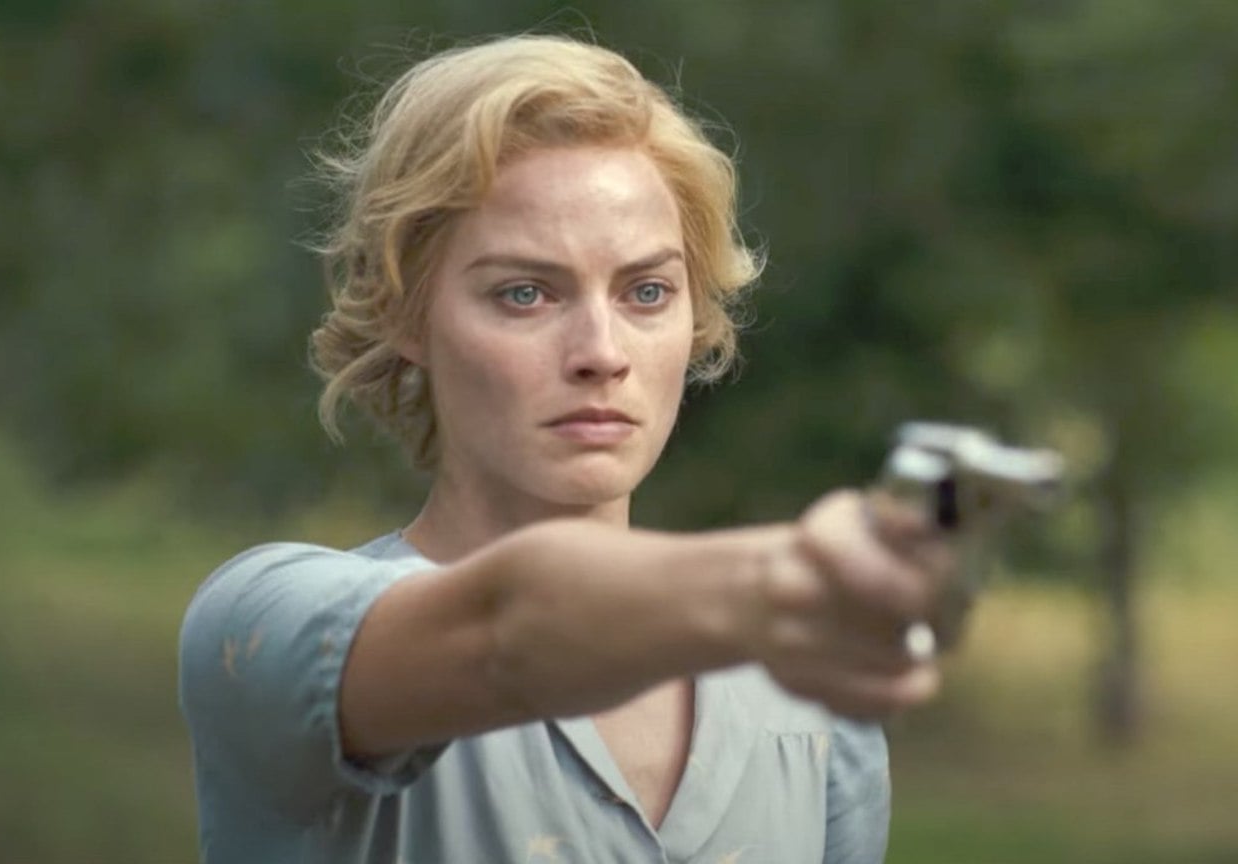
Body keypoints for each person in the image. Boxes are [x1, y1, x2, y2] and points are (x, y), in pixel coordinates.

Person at [179, 33, 951, 864]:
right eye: (525, 293)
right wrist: (788, 583)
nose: (601, 352)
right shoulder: (268, 629)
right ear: (405, 313)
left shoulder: (808, 696)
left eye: (647, 291)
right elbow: (510, 629)